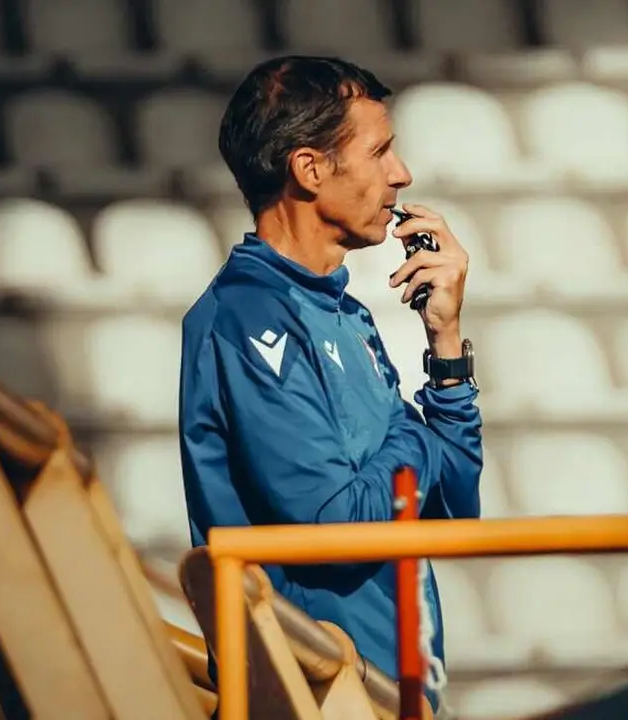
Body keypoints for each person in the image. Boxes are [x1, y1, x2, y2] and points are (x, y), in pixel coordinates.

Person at [178, 55, 483, 716]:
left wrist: (447, 342)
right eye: (380, 151)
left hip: (391, 693)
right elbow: (336, 525)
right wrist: (416, 440)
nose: (401, 174)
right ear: (311, 169)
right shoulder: (246, 318)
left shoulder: (341, 313)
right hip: (313, 698)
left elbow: (455, 506)